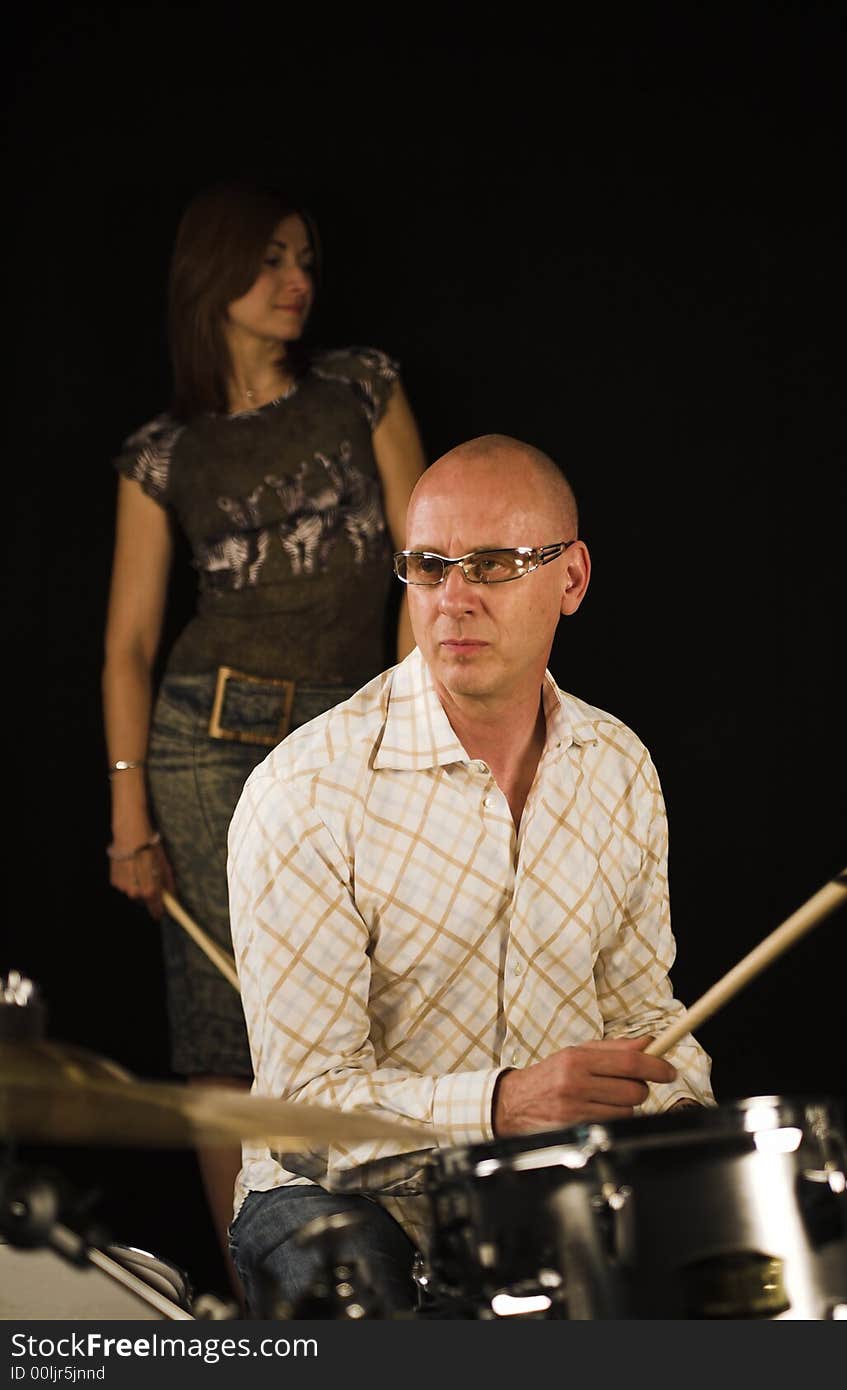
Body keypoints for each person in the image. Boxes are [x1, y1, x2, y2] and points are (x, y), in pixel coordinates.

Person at [226, 435, 714, 1316]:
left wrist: (680, 1119)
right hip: (341, 1197)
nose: (454, 599)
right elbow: (305, 1114)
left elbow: (644, 1017)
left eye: (492, 565)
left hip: (550, 1182)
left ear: (571, 579)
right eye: (429, 566)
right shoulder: (304, 791)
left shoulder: (619, 768)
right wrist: (501, 1106)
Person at [101, 181, 427, 1293]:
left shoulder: (361, 387)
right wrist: (128, 814)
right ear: (213, 279)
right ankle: (263, 1305)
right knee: (221, 1034)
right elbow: (131, 647)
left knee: (371, 1005)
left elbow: (422, 561)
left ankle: (385, 1291)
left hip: (349, 737)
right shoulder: (163, 452)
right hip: (208, 746)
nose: (297, 281)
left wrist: (405, 715)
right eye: (269, 260)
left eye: (304, 259)